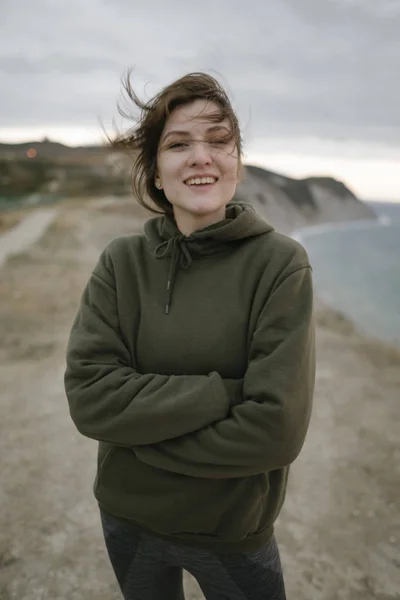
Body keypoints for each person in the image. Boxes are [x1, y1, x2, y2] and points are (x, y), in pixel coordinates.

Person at [64, 71, 315, 600]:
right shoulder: (121, 262)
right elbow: (89, 399)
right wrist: (221, 394)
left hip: (230, 532)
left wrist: (139, 439)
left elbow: (276, 431)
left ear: (237, 162)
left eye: (219, 142)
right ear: (156, 171)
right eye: (178, 144)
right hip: (127, 518)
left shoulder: (279, 265)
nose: (201, 157)